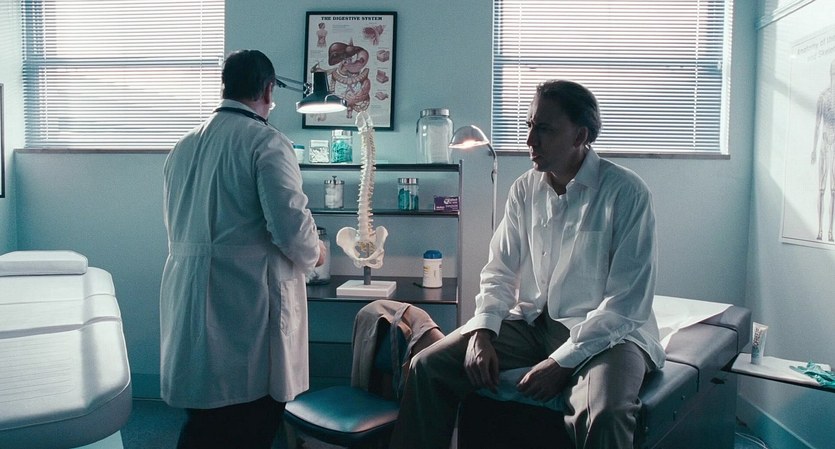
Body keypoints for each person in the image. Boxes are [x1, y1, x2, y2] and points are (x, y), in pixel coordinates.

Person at [389, 80, 665, 449]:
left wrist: (562, 362)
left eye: (544, 129)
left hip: (611, 336)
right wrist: (483, 332)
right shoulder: (525, 188)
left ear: (580, 135)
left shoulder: (626, 192)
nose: (530, 140)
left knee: (605, 414)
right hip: (536, 324)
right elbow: (499, 271)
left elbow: (625, 304)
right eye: (529, 125)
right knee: (428, 366)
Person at [160, 49, 325, 449]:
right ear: (268, 90)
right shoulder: (266, 142)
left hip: (189, 296)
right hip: (245, 303)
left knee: (204, 421)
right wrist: (318, 251)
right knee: (248, 423)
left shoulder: (183, 145)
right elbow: (291, 230)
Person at [811, 58, 835, 242]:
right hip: (824, 144)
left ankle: (830, 232)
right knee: (821, 188)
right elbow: (817, 125)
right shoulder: (823, 96)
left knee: (833, 190)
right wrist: (813, 148)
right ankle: (820, 230)